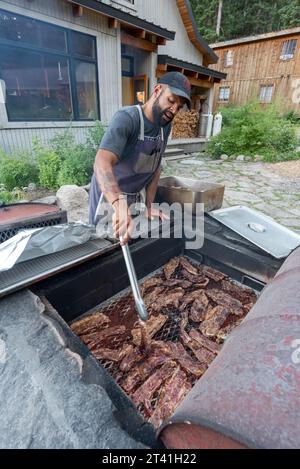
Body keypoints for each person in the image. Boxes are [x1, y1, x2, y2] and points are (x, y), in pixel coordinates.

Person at [89, 71, 191, 245]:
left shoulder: (164, 126)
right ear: (157, 90)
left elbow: (156, 165)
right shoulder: (128, 118)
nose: (174, 110)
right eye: (171, 101)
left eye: (179, 107)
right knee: (102, 246)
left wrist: (149, 206)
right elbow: (101, 162)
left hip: (136, 197)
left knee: (132, 243)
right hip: (110, 197)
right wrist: (119, 204)